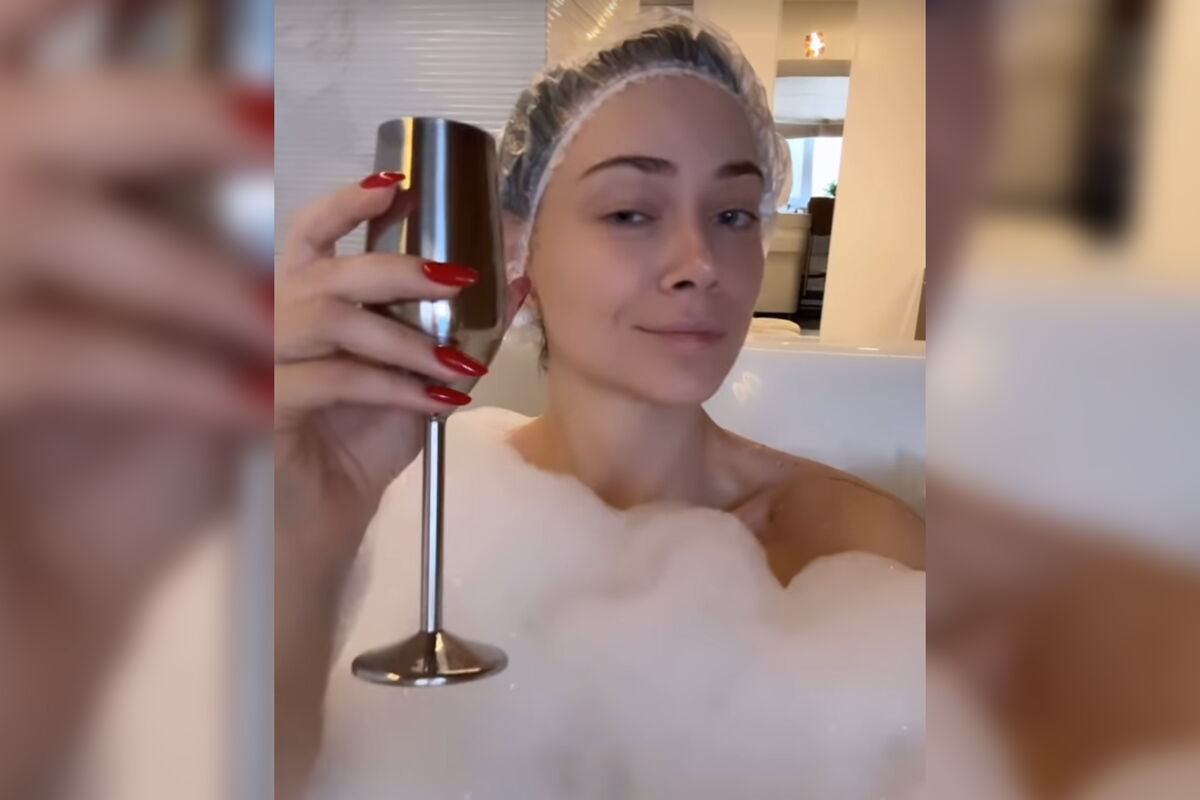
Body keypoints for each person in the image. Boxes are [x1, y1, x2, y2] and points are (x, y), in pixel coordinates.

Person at [274, 13, 924, 797]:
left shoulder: (871, 557)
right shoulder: (398, 509)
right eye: (631, 212)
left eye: (732, 214)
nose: (700, 263)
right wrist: (308, 529)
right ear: (517, 248)